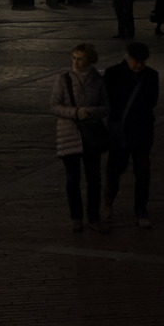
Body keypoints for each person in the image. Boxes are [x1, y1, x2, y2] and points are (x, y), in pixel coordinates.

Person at [51, 42, 109, 233]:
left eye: (80, 58)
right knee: (72, 179)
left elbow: (106, 107)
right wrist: (75, 113)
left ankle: (93, 218)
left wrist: (90, 112)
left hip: (91, 136)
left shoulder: (98, 81)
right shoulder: (63, 79)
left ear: (90, 60)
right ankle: (76, 217)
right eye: (74, 57)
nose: (75, 62)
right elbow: (54, 106)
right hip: (68, 134)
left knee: (94, 179)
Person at [104, 42, 159, 229]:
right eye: (137, 60)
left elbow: (152, 101)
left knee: (142, 173)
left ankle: (141, 210)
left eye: (143, 61)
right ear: (128, 57)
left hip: (142, 131)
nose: (140, 64)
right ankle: (108, 201)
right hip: (120, 132)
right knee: (114, 170)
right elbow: (107, 100)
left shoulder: (151, 75)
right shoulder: (112, 74)